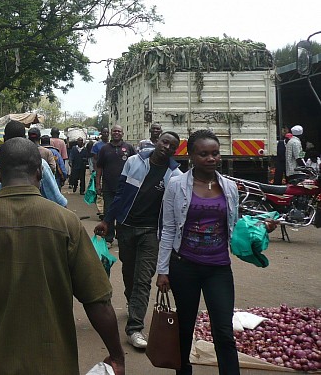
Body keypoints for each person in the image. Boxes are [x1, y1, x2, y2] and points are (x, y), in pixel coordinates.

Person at [0, 138, 125, 375]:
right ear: (39, 173)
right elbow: (97, 300)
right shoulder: (66, 223)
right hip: (55, 364)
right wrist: (117, 356)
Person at [156, 130, 241, 375]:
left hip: (219, 268)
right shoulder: (176, 185)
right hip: (185, 266)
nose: (211, 158)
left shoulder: (230, 187)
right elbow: (169, 229)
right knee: (184, 328)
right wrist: (163, 271)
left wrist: (260, 229)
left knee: (224, 332)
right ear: (191, 156)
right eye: (203, 154)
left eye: (215, 153)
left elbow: (235, 224)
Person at [94, 131, 182, 349]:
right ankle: (132, 302)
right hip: (126, 227)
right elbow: (121, 194)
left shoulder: (176, 175)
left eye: (172, 146)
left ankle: (135, 328)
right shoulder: (134, 161)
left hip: (151, 233)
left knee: (143, 279)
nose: (167, 147)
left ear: (176, 150)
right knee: (129, 272)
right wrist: (107, 220)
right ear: (157, 142)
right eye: (164, 142)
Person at [0, 121, 68, 208]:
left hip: (3, 219)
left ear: (4, 138)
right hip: (39, 218)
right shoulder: (40, 164)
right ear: (25, 138)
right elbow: (58, 200)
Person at [95, 125, 136, 245]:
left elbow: (136, 165)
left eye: (119, 131)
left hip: (125, 188)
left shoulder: (129, 148)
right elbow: (99, 167)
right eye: (114, 131)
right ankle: (108, 238)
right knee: (108, 212)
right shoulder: (104, 149)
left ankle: (122, 237)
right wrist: (98, 183)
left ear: (123, 133)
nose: (116, 133)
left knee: (124, 212)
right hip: (108, 187)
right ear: (111, 133)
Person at [92, 127, 110, 217]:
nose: (106, 134)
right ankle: (101, 211)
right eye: (104, 132)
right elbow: (95, 159)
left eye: (107, 132)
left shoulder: (111, 144)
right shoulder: (97, 145)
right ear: (101, 133)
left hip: (110, 171)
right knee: (100, 191)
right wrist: (95, 171)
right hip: (100, 171)